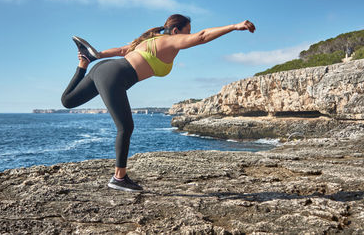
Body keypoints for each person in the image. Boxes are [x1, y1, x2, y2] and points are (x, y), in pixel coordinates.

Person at [61, 14, 256, 192]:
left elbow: (122, 50)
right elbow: (203, 36)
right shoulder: (170, 40)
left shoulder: (149, 39)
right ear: (176, 31)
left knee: (68, 101)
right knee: (125, 127)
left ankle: (82, 64)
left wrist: (97, 56)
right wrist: (234, 26)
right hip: (113, 75)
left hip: (102, 69)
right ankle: (119, 178)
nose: (188, 37)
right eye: (187, 32)